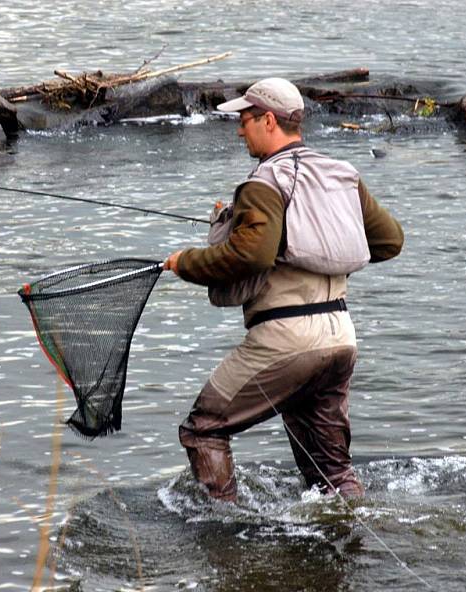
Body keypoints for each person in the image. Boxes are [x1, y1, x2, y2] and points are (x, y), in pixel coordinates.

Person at [163, 77, 404, 502]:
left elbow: (251, 257)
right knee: (331, 471)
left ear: (268, 120)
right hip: (340, 337)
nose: (240, 130)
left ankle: (223, 531)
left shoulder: (263, 181)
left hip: (285, 340)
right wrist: (321, 245)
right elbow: (389, 241)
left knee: (203, 428)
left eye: (244, 119)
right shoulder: (341, 173)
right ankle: (351, 536)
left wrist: (185, 263)